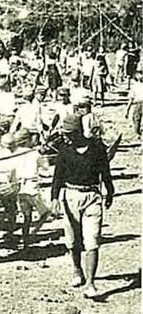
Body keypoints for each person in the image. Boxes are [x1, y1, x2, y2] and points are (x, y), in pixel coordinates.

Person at [51, 114, 114, 299]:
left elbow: (105, 172)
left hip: (92, 197)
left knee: (92, 240)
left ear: (78, 132)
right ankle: (77, 270)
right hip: (70, 197)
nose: (65, 136)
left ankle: (90, 283)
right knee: (72, 241)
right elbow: (58, 177)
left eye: (68, 133)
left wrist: (109, 191)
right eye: (64, 133)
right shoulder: (64, 150)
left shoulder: (97, 148)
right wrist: (54, 198)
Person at [14, 129, 51, 249]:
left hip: (19, 186)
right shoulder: (35, 153)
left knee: (27, 215)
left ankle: (25, 239)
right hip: (32, 186)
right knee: (45, 213)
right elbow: (46, 168)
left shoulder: (15, 153)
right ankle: (32, 234)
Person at [125, 70, 143, 137]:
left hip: (138, 104)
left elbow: (130, 99)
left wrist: (127, 110)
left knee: (136, 118)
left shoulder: (134, 87)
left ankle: (137, 132)